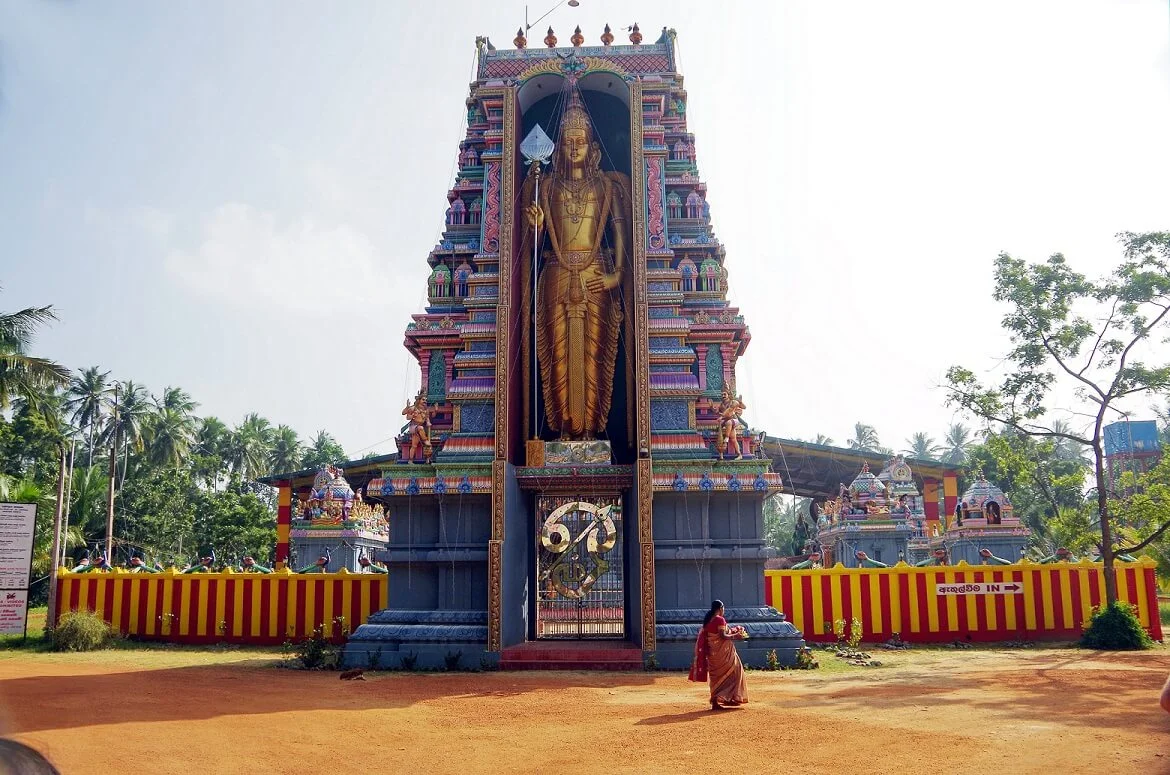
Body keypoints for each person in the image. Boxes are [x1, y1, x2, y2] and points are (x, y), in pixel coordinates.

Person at [688, 599, 749, 710]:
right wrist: (736, 635)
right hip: (722, 654)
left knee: (717, 677)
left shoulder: (708, 620)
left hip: (713, 654)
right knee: (736, 670)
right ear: (721, 608)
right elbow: (722, 636)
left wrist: (734, 631)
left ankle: (721, 699)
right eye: (723, 609)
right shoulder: (719, 619)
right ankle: (729, 697)